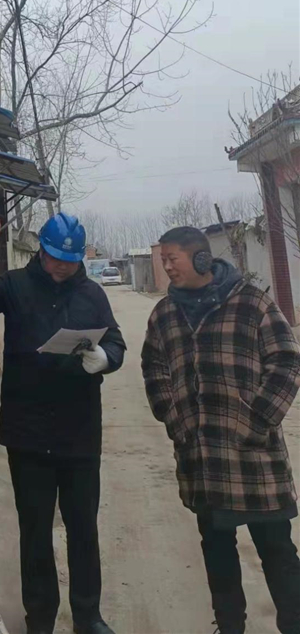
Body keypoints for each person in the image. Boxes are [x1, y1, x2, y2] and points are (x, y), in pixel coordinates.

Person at [0, 212, 126, 634]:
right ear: (41, 251)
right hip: (28, 431)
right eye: (54, 258)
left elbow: (116, 341)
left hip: (79, 432)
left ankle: (88, 615)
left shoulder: (92, 294)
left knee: (83, 527)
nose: (61, 267)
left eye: (69, 261)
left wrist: (105, 358)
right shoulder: (16, 285)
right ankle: (41, 617)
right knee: (34, 530)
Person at [141, 226, 300, 634]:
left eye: (172, 258)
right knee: (217, 551)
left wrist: (257, 420)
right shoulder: (165, 314)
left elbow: (286, 361)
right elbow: (153, 366)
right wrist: (173, 417)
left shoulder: (251, 303)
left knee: (278, 551)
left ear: (201, 258)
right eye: (163, 259)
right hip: (201, 460)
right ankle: (230, 626)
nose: (166, 266)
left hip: (254, 458)